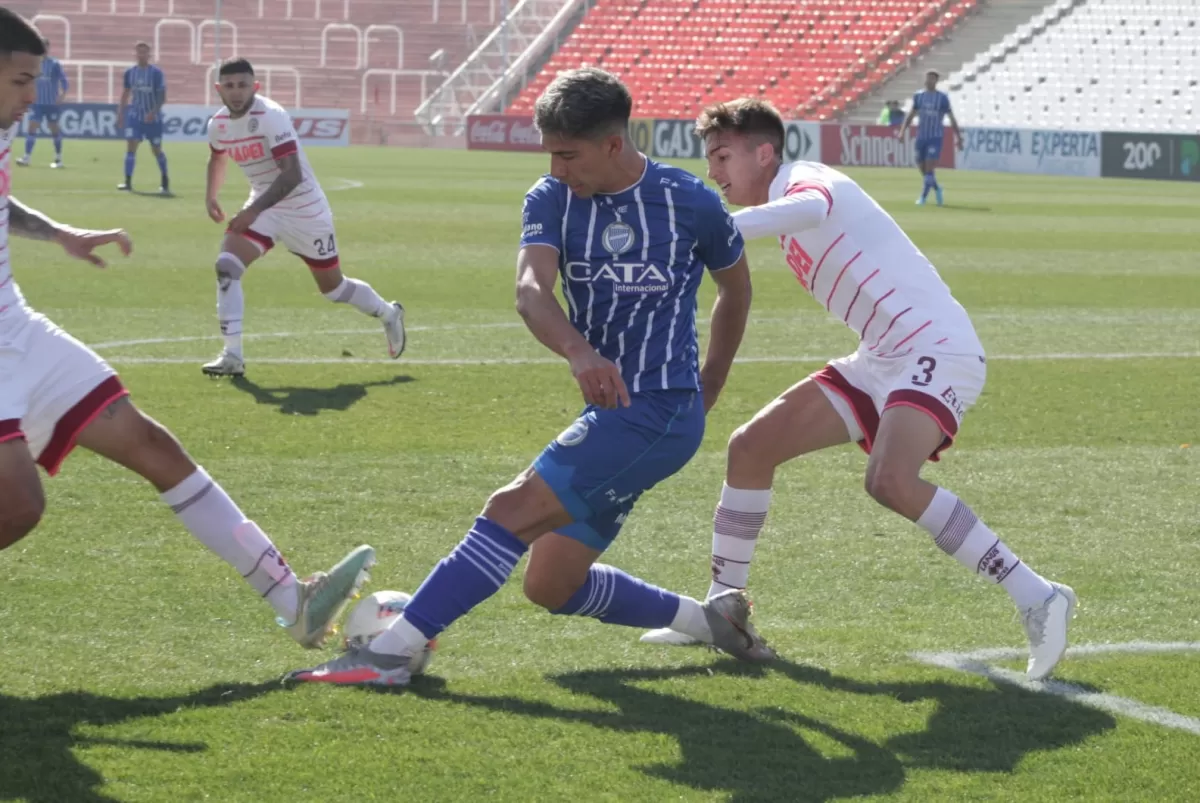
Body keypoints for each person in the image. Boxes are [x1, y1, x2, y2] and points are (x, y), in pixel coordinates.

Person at [287, 67, 770, 688]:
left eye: (569, 154)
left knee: (511, 509)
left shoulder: (690, 201)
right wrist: (579, 353)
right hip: (615, 412)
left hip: (660, 411)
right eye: (551, 153)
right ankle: (713, 623)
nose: (559, 167)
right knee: (551, 584)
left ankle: (390, 655)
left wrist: (711, 384)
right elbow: (530, 292)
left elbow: (737, 288)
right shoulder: (551, 198)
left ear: (613, 145)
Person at [638, 98, 1075, 682]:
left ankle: (1038, 595)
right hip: (882, 358)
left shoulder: (804, 179)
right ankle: (726, 606)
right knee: (750, 447)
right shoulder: (778, 198)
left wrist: (710, 229)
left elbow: (810, 206)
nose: (713, 172)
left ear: (764, 153)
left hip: (935, 350)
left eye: (721, 155)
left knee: (889, 481)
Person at [0, 8, 374, 650]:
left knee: (153, 445)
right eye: (22, 81)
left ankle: (295, 601)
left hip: (18, 326)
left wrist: (57, 232)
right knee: (19, 507)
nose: (34, 96)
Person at [202, 58, 405, 376]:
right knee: (226, 267)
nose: (236, 92)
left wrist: (252, 211)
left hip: (305, 209)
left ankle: (388, 313)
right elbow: (216, 158)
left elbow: (292, 175)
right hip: (264, 206)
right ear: (218, 89)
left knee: (333, 289)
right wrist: (211, 195)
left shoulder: (270, 116)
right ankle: (232, 356)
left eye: (243, 85)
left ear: (255, 86)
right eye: (229, 86)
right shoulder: (218, 124)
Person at [897, 71, 963, 206]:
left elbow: (951, 118)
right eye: (928, 78)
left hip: (935, 137)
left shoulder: (942, 98)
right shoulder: (919, 96)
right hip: (921, 137)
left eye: (932, 78)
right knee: (922, 168)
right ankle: (938, 189)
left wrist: (958, 137)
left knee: (929, 168)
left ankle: (923, 197)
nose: (929, 80)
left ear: (936, 81)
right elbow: (911, 114)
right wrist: (902, 131)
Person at [116, 41, 169, 194]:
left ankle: (165, 181)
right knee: (131, 147)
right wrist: (120, 113)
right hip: (135, 117)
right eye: (139, 52)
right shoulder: (130, 73)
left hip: (153, 120)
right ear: (135, 54)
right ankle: (127, 182)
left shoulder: (156, 74)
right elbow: (125, 93)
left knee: (156, 150)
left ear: (149, 54)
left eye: (144, 52)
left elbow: (162, 97)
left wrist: (153, 112)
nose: (141, 55)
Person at [15, 36, 66, 168]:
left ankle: (58, 158)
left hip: (51, 104)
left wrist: (61, 96)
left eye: (44, 47)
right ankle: (26, 157)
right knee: (32, 129)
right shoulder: (34, 64)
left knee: (54, 130)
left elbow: (64, 81)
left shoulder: (54, 64)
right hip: (37, 103)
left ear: (48, 48)